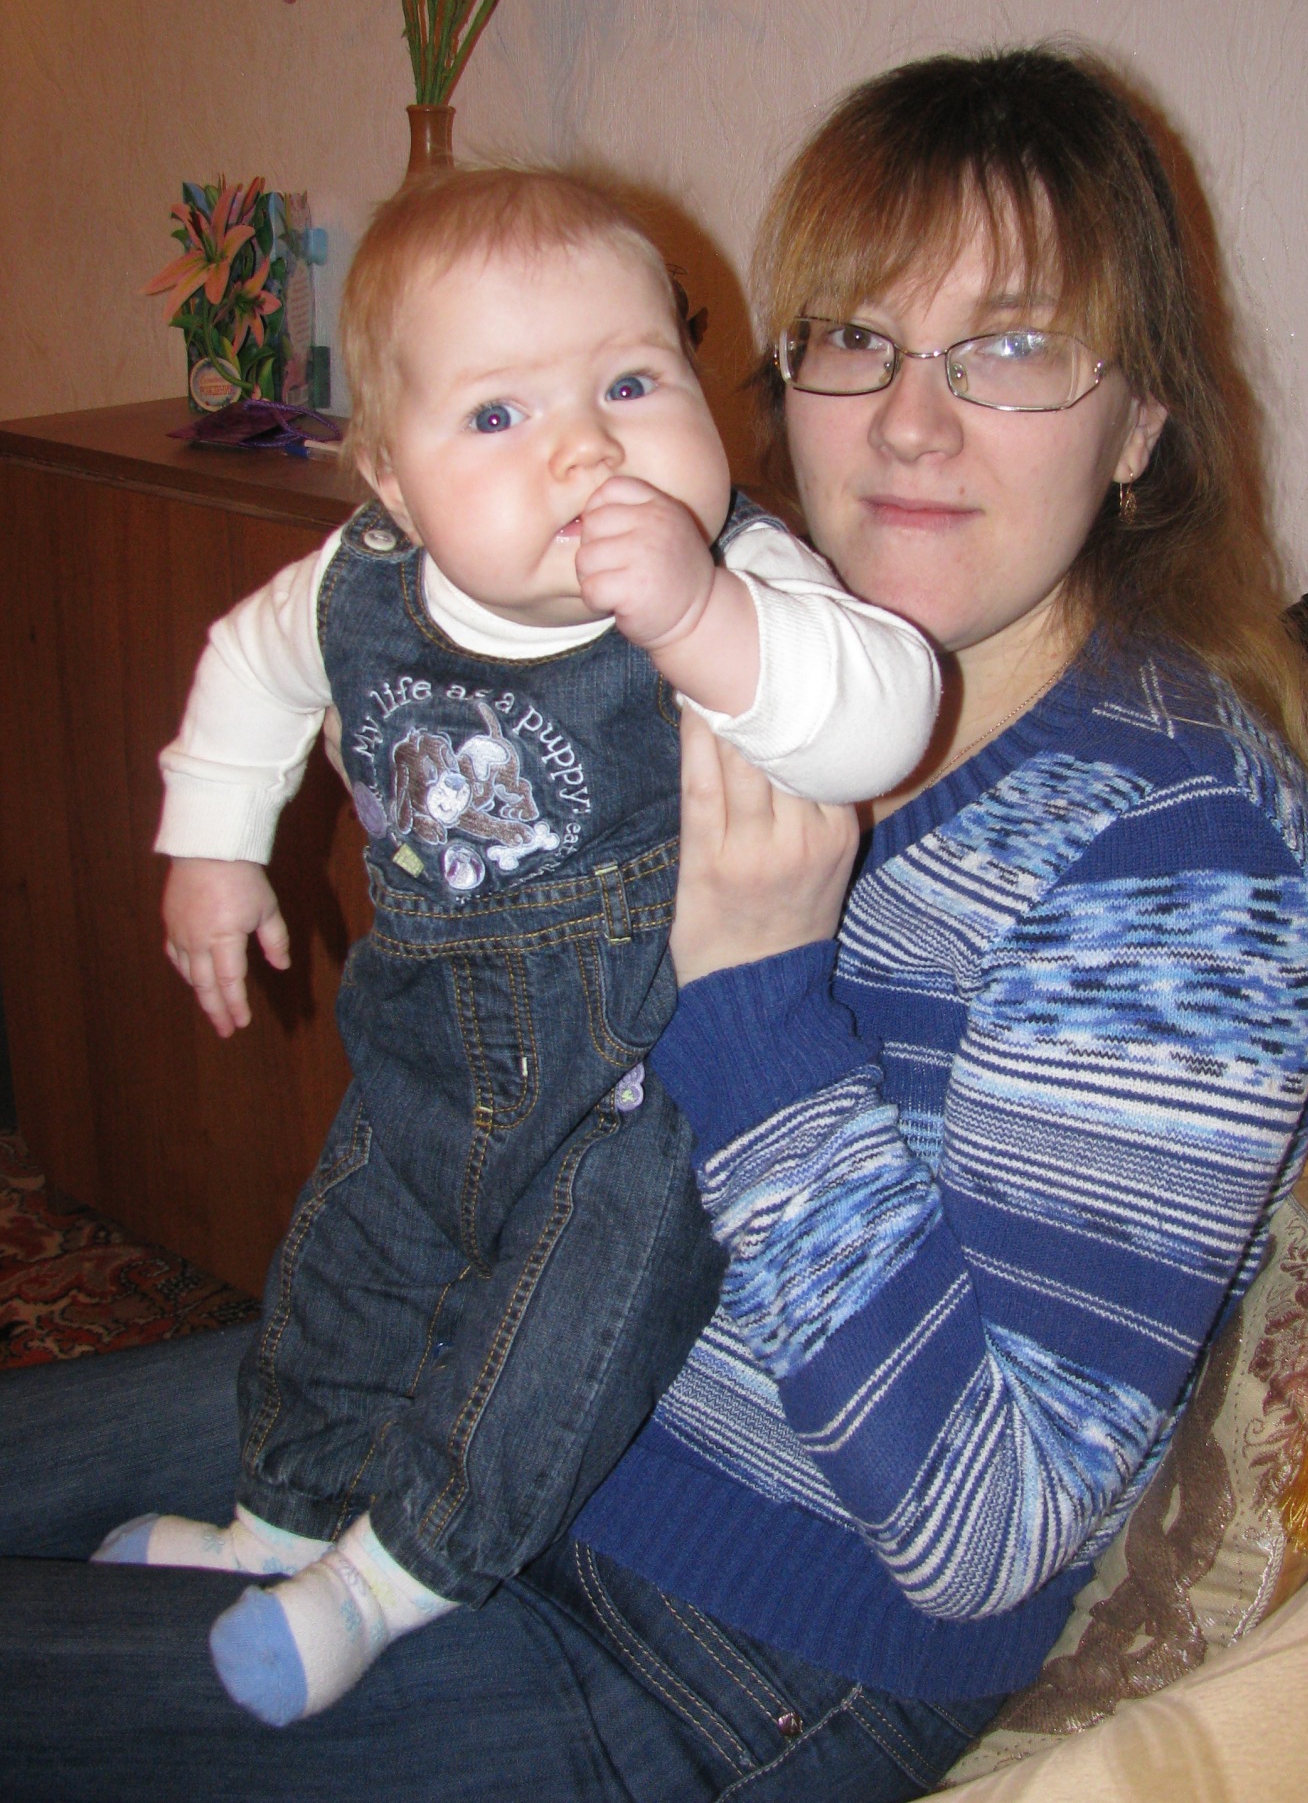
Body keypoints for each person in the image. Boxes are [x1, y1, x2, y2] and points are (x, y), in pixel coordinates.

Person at [0, 46, 1308, 1802]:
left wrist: (753, 996)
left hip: (724, 1636)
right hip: (469, 1383)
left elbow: (988, 1529)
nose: (911, 421)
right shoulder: (706, 619)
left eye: (1014, 348)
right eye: (857, 338)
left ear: (1142, 424)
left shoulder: (1187, 866)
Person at [95, 165, 939, 1727]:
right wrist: (210, 848)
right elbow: (252, 668)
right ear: (393, 484)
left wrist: (703, 622)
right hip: (424, 1048)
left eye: (631, 382)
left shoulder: (740, 570)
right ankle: (277, 1520)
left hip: (639, 1092)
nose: (587, 448)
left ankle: (394, 1575)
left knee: (562, 1332)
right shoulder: (360, 583)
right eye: (497, 414)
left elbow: (883, 714)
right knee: (342, 1273)